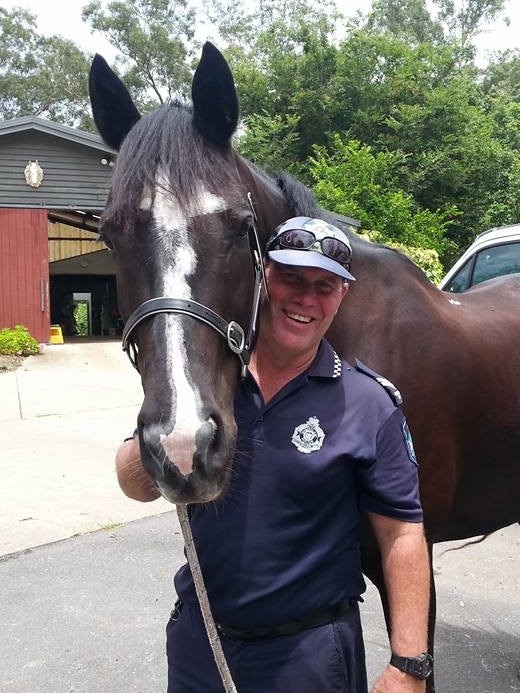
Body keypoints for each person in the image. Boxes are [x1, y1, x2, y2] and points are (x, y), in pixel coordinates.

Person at [116, 216, 432, 693]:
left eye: (324, 285)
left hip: (307, 656)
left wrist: (409, 664)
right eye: (292, 278)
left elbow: (402, 533)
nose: (306, 298)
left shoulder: (369, 404)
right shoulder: (207, 383)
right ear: (263, 275)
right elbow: (132, 485)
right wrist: (167, 444)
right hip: (201, 645)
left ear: (342, 296)